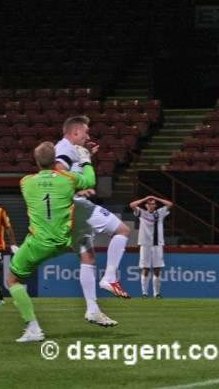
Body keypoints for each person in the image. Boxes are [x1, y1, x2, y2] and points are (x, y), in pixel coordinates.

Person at [7, 141, 117, 343]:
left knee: (13, 280)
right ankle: (92, 307)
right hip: (65, 241)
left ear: (36, 161)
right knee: (86, 254)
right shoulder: (68, 179)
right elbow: (90, 180)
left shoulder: (25, 182)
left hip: (39, 243)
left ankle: (33, 328)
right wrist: (85, 159)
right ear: (55, 159)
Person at [54, 115, 132, 305]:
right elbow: (57, 172)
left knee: (87, 258)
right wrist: (76, 190)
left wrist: (86, 155)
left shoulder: (69, 149)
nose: (88, 136)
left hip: (69, 206)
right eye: (86, 132)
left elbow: (71, 170)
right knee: (122, 230)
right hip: (76, 204)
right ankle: (110, 278)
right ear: (75, 132)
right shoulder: (64, 148)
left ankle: (92, 309)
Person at [129, 195, 173, 298]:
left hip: (158, 244)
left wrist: (156, 198)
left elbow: (170, 204)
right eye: (149, 204)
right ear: (146, 205)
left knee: (157, 269)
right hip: (145, 244)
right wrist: (146, 198)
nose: (151, 205)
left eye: (153, 204)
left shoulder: (160, 213)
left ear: (155, 205)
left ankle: (156, 293)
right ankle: (144, 293)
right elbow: (132, 205)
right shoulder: (141, 213)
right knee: (145, 269)